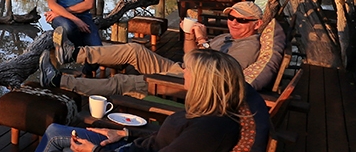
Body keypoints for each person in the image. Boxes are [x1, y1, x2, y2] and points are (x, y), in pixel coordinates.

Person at [34, 49, 252, 152]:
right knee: (55, 133)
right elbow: (166, 140)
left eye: (188, 69)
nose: (183, 71)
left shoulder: (210, 129)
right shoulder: (205, 112)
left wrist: (95, 151)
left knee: (55, 136)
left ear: (203, 81)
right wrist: (125, 134)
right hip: (131, 144)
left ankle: (58, 78)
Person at [39, 1, 267, 97]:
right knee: (134, 50)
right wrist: (189, 36)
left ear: (257, 24)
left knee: (124, 82)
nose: (233, 23)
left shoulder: (248, 46)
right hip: (184, 69)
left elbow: (216, 73)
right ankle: (72, 54)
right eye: (231, 18)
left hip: (191, 85)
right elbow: (191, 57)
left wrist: (204, 40)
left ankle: (58, 81)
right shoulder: (227, 37)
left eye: (241, 20)